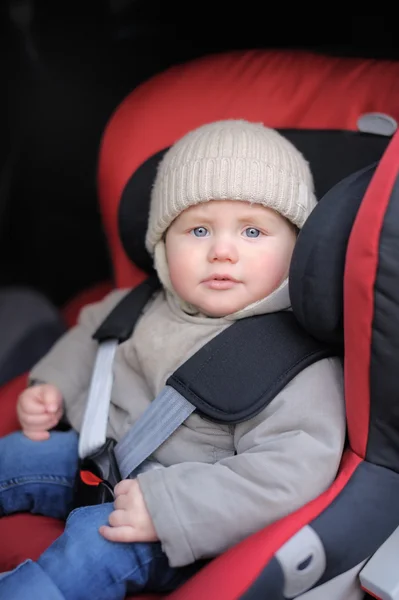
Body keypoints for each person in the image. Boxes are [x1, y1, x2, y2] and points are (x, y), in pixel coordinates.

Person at [0, 120, 346, 600]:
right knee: (15, 455)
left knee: (93, 548)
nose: (222, 251)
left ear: (297, 247)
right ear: (164, 246)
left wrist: (170, 508)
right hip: (95, 454)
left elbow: (289, 472)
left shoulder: (298, 361)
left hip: (177, 520)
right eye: (199, 229)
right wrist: (53, 385)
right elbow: (89, 337)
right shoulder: (139, 303)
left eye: (252, 230)